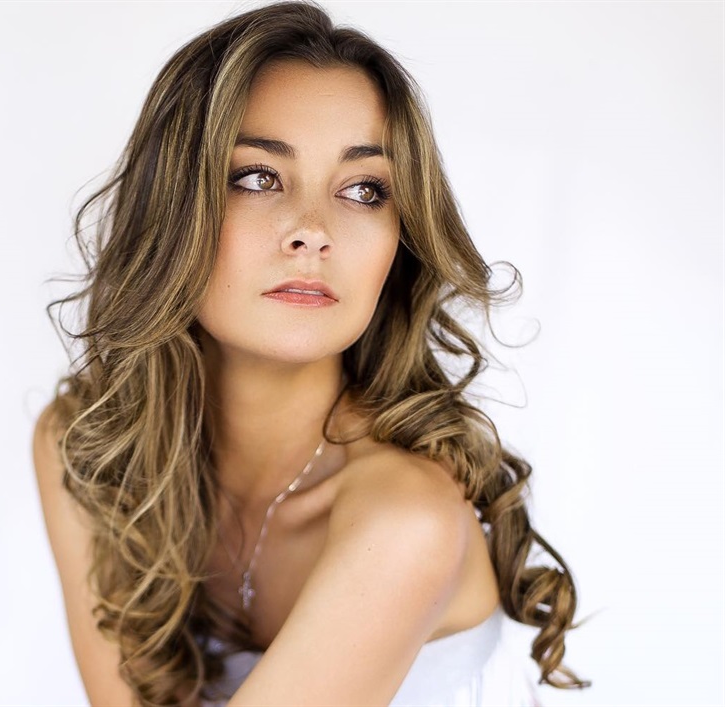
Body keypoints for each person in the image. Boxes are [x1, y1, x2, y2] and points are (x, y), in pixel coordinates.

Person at [33, 2, 589, 705]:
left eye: (363, 190)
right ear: (170, 206)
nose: (313, 230)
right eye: (258, 177)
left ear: (400, 240)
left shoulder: (406, 517)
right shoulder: (90, 449)